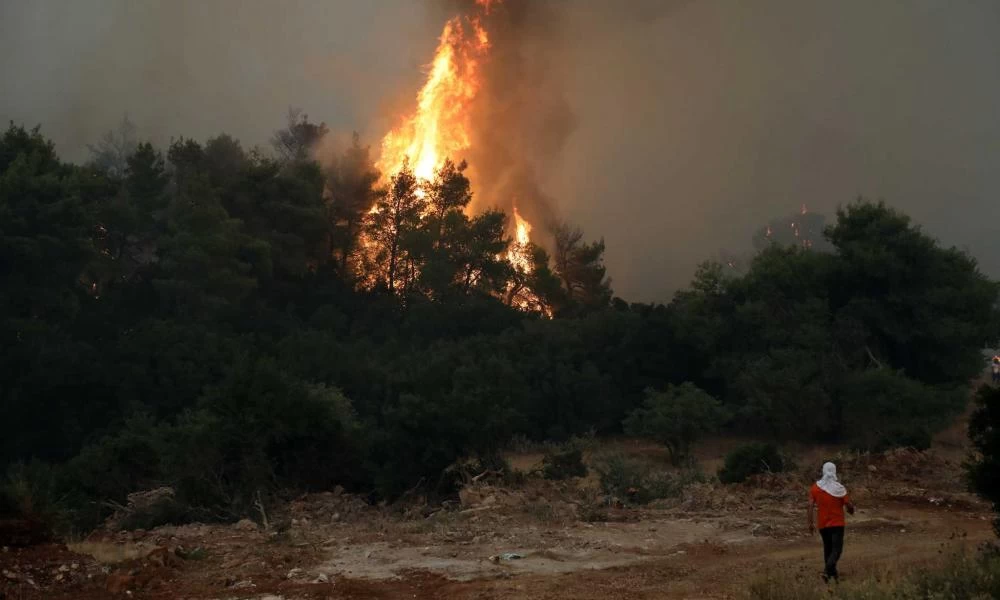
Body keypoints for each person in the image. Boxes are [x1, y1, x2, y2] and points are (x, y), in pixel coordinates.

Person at [808, 462, 855, 582]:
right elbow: (849, 506)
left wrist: (810, 523)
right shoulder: (839, 488)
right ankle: (827, 570)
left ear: (823, 471)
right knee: (837, 550)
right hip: (837, 524)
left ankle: (831, 575)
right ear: (834, 472)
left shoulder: (815, 488)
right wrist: (851, 510)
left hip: (823, 525)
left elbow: (810, 506)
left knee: (827, 549)